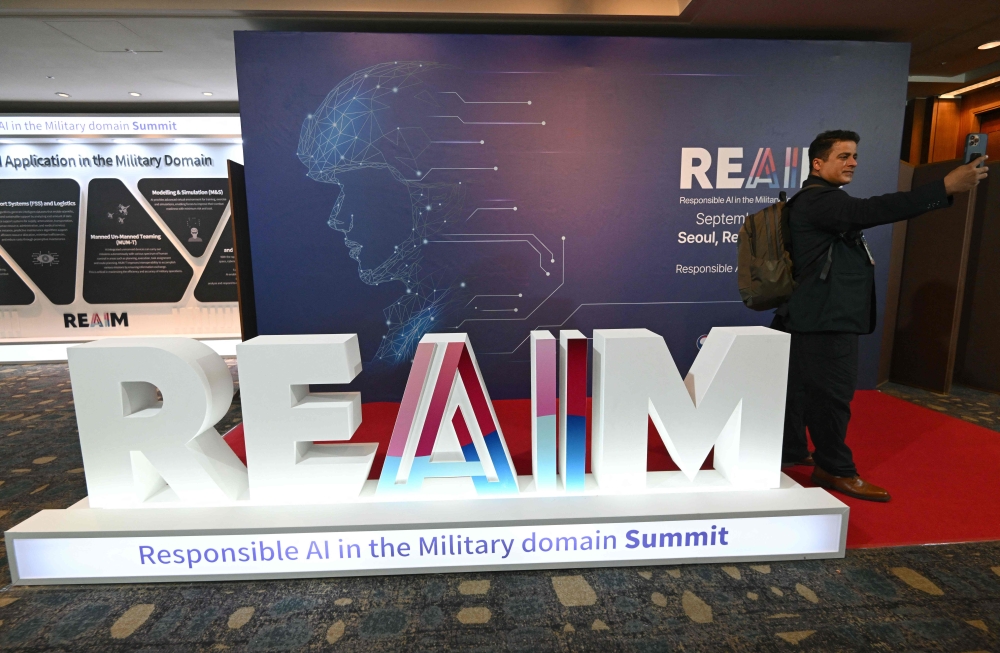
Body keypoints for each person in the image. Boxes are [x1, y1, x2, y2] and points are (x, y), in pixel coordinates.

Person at [778, 129, 987, 502]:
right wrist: (945, 186)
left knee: (801, 390)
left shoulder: (817, 202)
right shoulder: (819, 201)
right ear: (818, 163)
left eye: (855, 155)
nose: (853, 162)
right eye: (844, 156)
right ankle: (834, 469)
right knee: (831, 396)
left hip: (813, 315)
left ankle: (792, 451)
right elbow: (873, 210)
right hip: (826, 320)